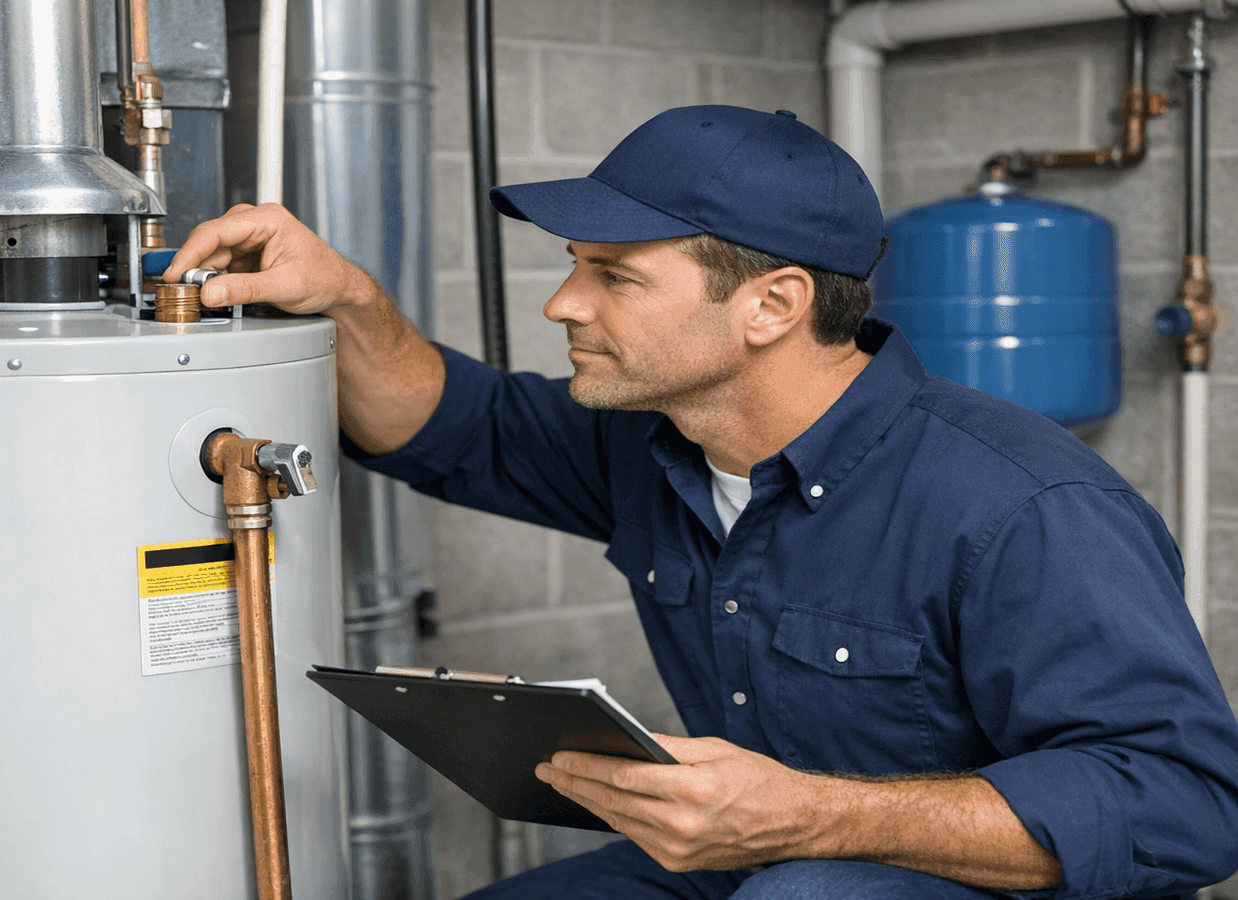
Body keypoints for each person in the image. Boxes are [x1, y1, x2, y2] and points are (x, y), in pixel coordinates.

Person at [166, 106, 1238, 900]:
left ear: (772, 304)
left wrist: (810, 814)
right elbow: (449, 421)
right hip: (769, 855)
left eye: (615, 277)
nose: (560, 303)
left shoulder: (1021, 506)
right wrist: (347, 297)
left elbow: (1187, 803)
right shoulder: (653, 441)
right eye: (572, 266)